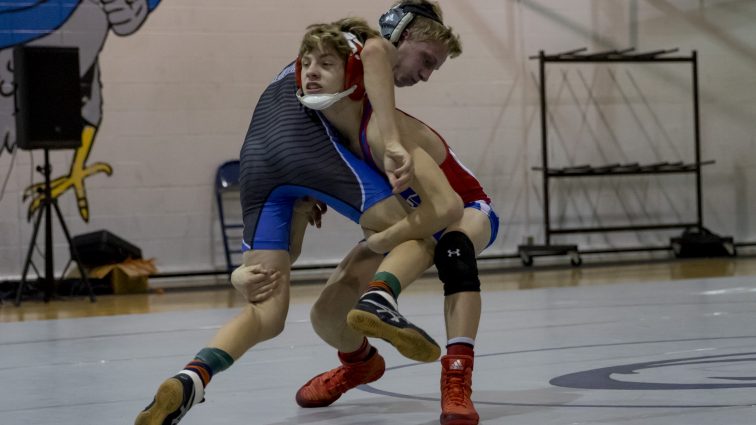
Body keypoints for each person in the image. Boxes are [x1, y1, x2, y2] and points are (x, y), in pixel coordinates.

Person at [134, 2, 464, 424]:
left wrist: (239, 273)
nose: (424, 74)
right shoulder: (351, 45)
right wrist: (394, 140)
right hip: (302, 147)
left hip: (257, 165)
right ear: (397, 31)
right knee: (416, 231)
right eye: (426, 60)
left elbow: (287, 251)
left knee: (266, 309)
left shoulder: (308, 61)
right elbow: (379, 52)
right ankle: (381, 298)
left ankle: (192, 377)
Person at [289, 17, 498, 425]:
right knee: (327, 315)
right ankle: (360, 363)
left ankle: (456, 379)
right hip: (414, 220)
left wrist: (381, 241)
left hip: (465, 209)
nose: (424, 74)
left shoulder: (382, 127)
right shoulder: (325, 125)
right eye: (425, 60)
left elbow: (449, 207)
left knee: (454, 250)